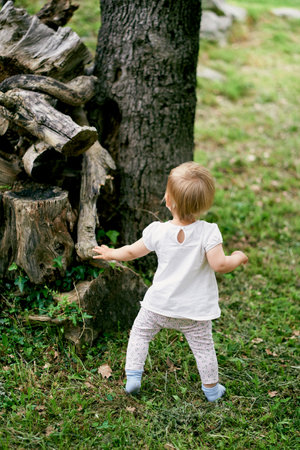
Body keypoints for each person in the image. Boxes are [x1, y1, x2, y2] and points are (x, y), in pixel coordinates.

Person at [93, 162, 248, 401]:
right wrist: (237, 257)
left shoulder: (157, 230)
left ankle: (133, 377)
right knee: (204, 348)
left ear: (167, 200)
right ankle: (211, 389)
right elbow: (220, 265)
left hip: (159, 305)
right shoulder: (209, 232)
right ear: (204, 204)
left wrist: (111, 253)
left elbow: (132, 253)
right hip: (194, 312)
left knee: (140, 334)